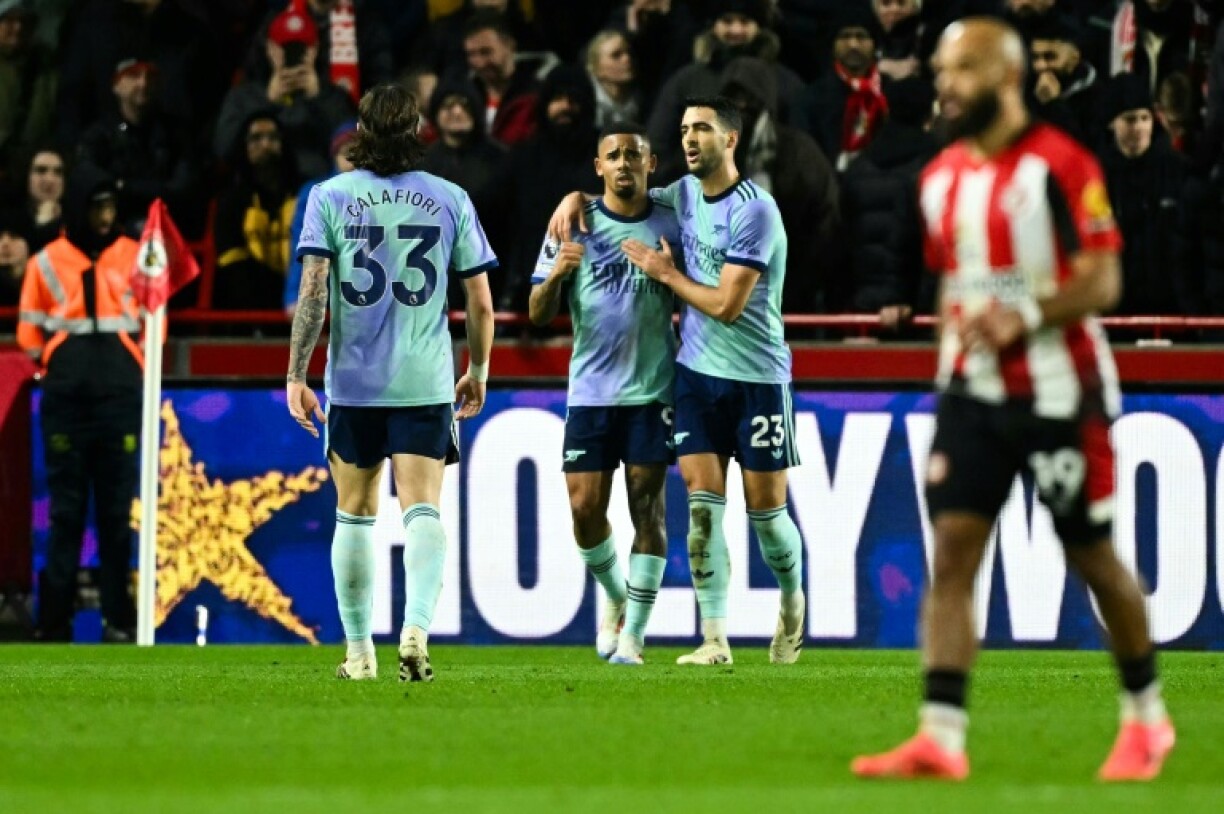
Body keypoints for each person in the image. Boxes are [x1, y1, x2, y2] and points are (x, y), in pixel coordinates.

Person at [852, 18, 1175, 782]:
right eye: (941, 69)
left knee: (1092, 555)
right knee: (955, 554)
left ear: (1005, 76)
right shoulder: (939, 180)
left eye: (961, 69)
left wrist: (1025, 313)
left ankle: (1147, 719)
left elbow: (1103, 280)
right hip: (972, 395)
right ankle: (940, 734)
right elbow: (961, 284)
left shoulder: (1062, 166)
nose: (945, 84)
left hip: (1060, 393)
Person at [549, 95, 806, 667]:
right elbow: (621, 195)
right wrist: (573, 198)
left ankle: (791, 597)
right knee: (701, 511)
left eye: (703, 129)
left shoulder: (755, 210)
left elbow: (728, 305)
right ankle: (715, 639)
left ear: (730, 140)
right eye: (686, 129)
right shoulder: (682, 195)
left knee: (766, 517)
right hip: (694, 377)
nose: (690, 138)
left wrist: (666, 272)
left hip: (758, 377)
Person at [286, 83, 496, 683]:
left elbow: (314, 291)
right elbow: (479, 302)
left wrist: (297, 373)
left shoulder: (329, 195)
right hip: (425, 381)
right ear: (417, 130)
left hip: (353, 384)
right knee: (422, 508)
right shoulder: (450, 198)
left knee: (353, 514)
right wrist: (476, 370)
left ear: (361, 131)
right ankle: (416, 631)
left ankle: (358, 654)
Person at [529, 121, 679, 665]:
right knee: (584, 508)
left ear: (650, 163)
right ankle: (616, 598)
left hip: (652, 389)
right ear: (598, 168)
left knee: (648, 508)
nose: (623, 164)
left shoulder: (672, 219)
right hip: (590, 391)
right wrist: (556, 277)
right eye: (613, 156)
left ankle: (633, 638)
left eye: (633, 156)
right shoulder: (572, 222)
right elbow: (537, 314)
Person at [17, 168, 143, 643]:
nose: (106, 218)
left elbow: (156, 318)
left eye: (111, 208)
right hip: (67, 399)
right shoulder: (46, 261)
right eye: (97, 208)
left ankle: (119, 622)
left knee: (114, 514)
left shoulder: (136, 256)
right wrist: (58, 362)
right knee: (65, 514)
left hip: (118, 396)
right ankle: (53, 624)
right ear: (78, 210)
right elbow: (30, 334)